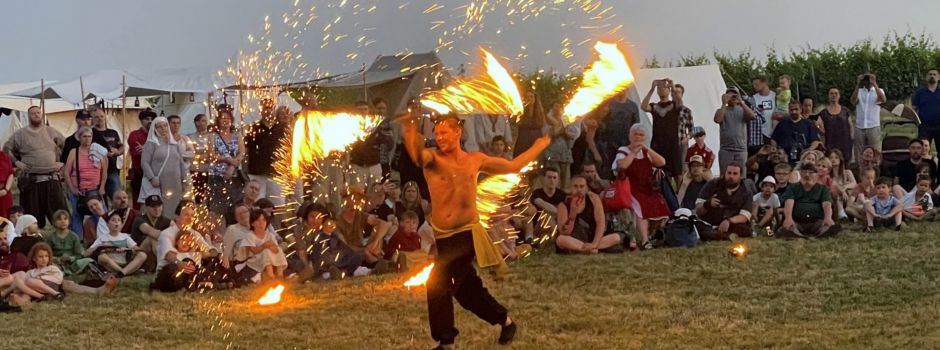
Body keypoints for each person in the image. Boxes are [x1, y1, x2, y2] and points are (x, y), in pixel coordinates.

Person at [400, 110, 550, 349]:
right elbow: (418, 156)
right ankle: (505, 320)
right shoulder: (433, 160)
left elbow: (513, 166)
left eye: (444, 132)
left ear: (458, 132)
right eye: (436, 133)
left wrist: (539, 145)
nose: (439, 137)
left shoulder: (475, 160)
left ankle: (446, 342)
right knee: (466, 290)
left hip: (467, 234)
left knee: (437, 282)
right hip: (444, 236)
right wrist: (409, 129)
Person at [3, 106, 68, 228]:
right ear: (28, 116)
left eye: (38, 113)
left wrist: (62, 162)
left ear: (42, 114)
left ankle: (62, 239)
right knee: (32, 218)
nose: (36, 115)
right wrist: (16, 162)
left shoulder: (51, 131)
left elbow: (67, 146)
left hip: (51, 180)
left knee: (59, 214)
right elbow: (6, 149)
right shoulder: (20, 134)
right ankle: (34, 240)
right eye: (33, 113)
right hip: (31, 181)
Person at [614, 125, 670, 249]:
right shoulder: (623, 151)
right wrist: (634, 152)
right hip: (630, 188)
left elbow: (662, 162)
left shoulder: (646, 152)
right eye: (635, 134)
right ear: (630, 136)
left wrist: (646, 149)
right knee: (640, 208)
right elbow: (622, 166)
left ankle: (653, 235)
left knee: (661, 204)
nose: (638, 137)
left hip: (647, 188)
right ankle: (645, 240)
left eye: (641, 135)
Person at [555, 175, 622, 253]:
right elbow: (564, 232)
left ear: (586, 188)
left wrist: (594, 243)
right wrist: (572, 216)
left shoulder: (594, 199)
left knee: (616, 237)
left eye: (582, 186)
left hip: (592, 237)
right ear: (570, 188)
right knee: (561, 240)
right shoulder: (563, 204)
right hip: (574, 239)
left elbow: (600, 223)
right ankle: (588, 249)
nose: (579, 189)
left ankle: (590, 248)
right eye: (575, 186)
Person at [63, 126, 108, 237]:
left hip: (94, 189)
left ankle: (104, 238)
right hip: (78, 190)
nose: (87, 139)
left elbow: (104, 172)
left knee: (100, 215)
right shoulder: (74, 152)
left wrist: (102, 187)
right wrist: (72, 189)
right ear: (79, 138)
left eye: (89, 136)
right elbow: (66, 173)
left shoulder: (98, 151)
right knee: (77, 216)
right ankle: (79, 241)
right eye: (84, 136)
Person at [140, 116, 188, 217]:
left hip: (175, 183)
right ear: (155, 129)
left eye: (165, 126)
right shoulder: (151, 144)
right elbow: (144, 162)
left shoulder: (174, 144)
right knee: (158, 209)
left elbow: (181, 163)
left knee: (173, 209)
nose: (163, 128)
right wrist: (152, 177)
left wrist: (184, 180)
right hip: (159, 184)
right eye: (160, 127)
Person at [776, 162, 839, 238]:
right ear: (800, 173)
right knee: (789, 227)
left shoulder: (823, 189)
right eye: (804, 172)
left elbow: (827, 204)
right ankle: (797, 235)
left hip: (817, 221)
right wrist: (788, 218)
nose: (807, 175)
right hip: (797, 221)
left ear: (816, 174)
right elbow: (788, 203)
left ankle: (823, 233)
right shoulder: (793, 187)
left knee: (826, 226)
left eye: (811, 173)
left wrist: (828, 217)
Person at [246, 103, 290, 206]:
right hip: (257, 171)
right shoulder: (254, 128)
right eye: (265, 108)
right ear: (261, 110)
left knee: (278, 203)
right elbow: (247, 149)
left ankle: (277, 222)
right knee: (256, 201)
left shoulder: (282, 128)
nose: (268, 111)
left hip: (277, 172)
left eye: (270, 108)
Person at [694, 163, 753, 240]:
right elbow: (698, 209)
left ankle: (718, 235)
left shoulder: (746, 192)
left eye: (735, 174)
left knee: (744, 230)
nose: (731, 176)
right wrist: (707, 204)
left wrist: (728, 221)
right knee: (698, 226)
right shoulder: (713, 184)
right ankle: (725, 236)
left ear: (740, 176)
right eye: (729, 173)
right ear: (724, 173)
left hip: (731, 224)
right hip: (709, 223)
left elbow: (744, 216)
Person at [84, 211, 147, 277]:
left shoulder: (125, 236)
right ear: (108, 225)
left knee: (142, 255)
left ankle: (122, 272)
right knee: (102, 257)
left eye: (119, 220)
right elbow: (90, 250)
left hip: (125, 262)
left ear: (121, 225)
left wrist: (127, 249)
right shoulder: (102, 238)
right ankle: (125, 272)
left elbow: (134, 248)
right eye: (113, 220)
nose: (116, 222)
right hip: (111, 263)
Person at [641, 79, 684, 177]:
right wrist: (652, 89)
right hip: (658, 143)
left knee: (677, 173)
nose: (661, 90)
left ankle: (680, 192)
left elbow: (680, 103)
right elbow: (643, 107)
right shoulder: (655, 106)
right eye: (659, 88)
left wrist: (673, 87)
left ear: (669, 91)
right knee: (657, 171)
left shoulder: (674, 105)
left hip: (672, 143)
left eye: (664, 88)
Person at [209, 110, 246, 215]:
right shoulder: (213, 136)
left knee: (235, 203)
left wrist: (232, 166)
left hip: (234, 175)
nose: (225, 120)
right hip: (217, 175)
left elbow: (241, 153)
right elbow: (211, 154)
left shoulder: (237, 135)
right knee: (218, 206)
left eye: (227, 118)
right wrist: (227, 159)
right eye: (222, 118)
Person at [596, 92, 640, 179]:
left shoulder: (632, 106)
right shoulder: (608, 104)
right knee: (608, 169)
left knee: (624, 169)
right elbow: (599, 120)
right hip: (608, 145)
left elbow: (635, 126)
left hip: (625, 144)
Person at [715, 87, 755, 178]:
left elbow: (752, 116)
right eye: (729, 94)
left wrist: (741, 102)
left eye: (734, 94)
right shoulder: (722, 110)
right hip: (726, 149)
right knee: (724, 175)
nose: (732, 97)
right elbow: (717, 120)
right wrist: (724, 104)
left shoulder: (742, 110)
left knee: (741, 176)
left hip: (741, 149)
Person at [88, 106, 124, 199]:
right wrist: (103, 154)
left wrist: (117, 152)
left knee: (117, 198)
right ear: (92, 119)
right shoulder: (90, 133)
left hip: (112, 171)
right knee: (100, 200)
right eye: (96, 117)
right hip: (96, 172)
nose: (99, 119)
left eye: (101, 116)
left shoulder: (113, 132)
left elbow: (122, 147)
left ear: (105, 117)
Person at [44, 210, 94, 276]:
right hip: (57, 263)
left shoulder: (74, 236)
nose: (63, 221)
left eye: (65, 219)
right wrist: (56, 259)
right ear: (54, 222)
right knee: (51, 266)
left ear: (69, 221)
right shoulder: (50, 237)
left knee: (88, 261)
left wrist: (70, 258)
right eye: (59, 219)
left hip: (73, 263)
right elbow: (46, 253)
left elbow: (78, 255)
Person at [130, 195, 171, 272]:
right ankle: (165, 265)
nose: (157, 209)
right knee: (152, 238)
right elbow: (152, 232)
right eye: (153, 206)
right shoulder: (139, 220)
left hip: (153, 258)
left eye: (159, 205)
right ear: (146, 208)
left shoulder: (164, 220)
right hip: (137, 257)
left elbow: (176, 228)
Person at [851, 73, 887, 162]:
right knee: (859, 152)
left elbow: (883, 100)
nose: (867, 81)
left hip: (873, 125)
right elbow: (853, 101)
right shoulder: (859, 91)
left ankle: (875, 170)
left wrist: (874, 84)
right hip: (860, 126)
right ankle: (859, 170)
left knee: (876, 151)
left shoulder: (879, 91)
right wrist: (858, 84)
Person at [524, 168, 566, 242]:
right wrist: (559, 212)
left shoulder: (562, 195)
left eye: (554, 178)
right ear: (544, 179)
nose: (552, 180)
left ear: (558, 180)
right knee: (547, 217)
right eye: (549, 177)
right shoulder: (537, 193)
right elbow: (542, 204)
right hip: (538, 226)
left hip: (556, 225)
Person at [542, 102, 578, 188]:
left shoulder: (565, 119)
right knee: (553, 178)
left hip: (565, 154)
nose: (558, 108)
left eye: (560, 106)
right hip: (552, 153)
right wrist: (558, 130)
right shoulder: (547, 119)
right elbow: (547, 133)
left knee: (565, 179)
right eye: (556, 106)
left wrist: (565, 132)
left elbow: (573, 133)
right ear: (552, 108)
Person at [816, 87, 853, 163]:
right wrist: (818, 128)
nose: (834, 95)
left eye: (836, 93)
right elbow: (819, 127)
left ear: (839, 96)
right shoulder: (823, 113)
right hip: (830, 143)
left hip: (845, 144)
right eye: (831, 93)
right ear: (828, 96)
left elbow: (851, 126)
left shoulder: (845, 111)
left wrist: (852, 140)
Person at [128, 110, 156, 205]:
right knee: (139, 204)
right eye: (147, 119)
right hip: (139, 174)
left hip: (156, 174)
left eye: (152, 119)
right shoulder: (134, 135)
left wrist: (145, 148)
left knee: (155, 203)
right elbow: (137, 152)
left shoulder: (157, 136)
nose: (150, 121)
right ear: (141, 120)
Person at [187, 114, 213, 204]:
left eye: (205, 121)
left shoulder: (212, 136)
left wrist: (201, 153)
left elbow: (212, 153)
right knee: (198, 197)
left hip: (210, 170)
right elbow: (190, 154)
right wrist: (203, 155)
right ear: (196, 123)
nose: (203, 123)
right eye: (200, 121)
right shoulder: (190, 137)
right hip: (196, 171)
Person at [914, 68, 940, 154]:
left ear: (938, 77)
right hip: (924, 127)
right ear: (926, 77)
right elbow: (914, 108)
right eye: (930, 74)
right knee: (922, 151)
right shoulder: (920, 92)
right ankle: (924, 167)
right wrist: (916, 121)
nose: (932, 76)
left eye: (934, 74)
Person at [750, 76, 779, 154]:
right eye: (753, 84)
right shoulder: (754, 98)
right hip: (761, 133)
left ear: (764, 83)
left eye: (756, 84)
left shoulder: (775, 96)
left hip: (775, 131)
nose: (754, 86)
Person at [514, 90, 546, 156]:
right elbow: (517, 123)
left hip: (536, 142)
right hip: (523, 142)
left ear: (535, 99)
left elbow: (541, 124)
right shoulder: (519, 112)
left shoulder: (539, 113)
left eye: (531, 97)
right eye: (527, 97)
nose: (529, 99)